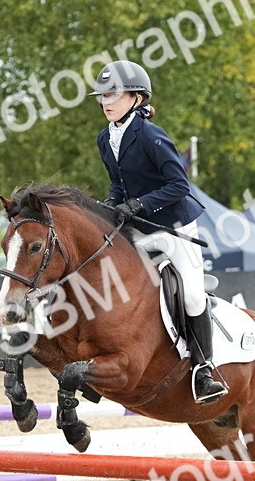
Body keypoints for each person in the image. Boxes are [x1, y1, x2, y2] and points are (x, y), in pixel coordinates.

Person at [89, 60, 227, 404]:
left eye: (114, 95)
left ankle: (204, 370)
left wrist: (138, 205)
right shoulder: (105, 138)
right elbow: (119, 183)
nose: (106, 102)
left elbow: (179, 185)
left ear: (136, 98)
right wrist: (111, 204)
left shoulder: (151, 135)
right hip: (139, 228)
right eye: (103, 96)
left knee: (192, 295)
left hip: (174, 226)